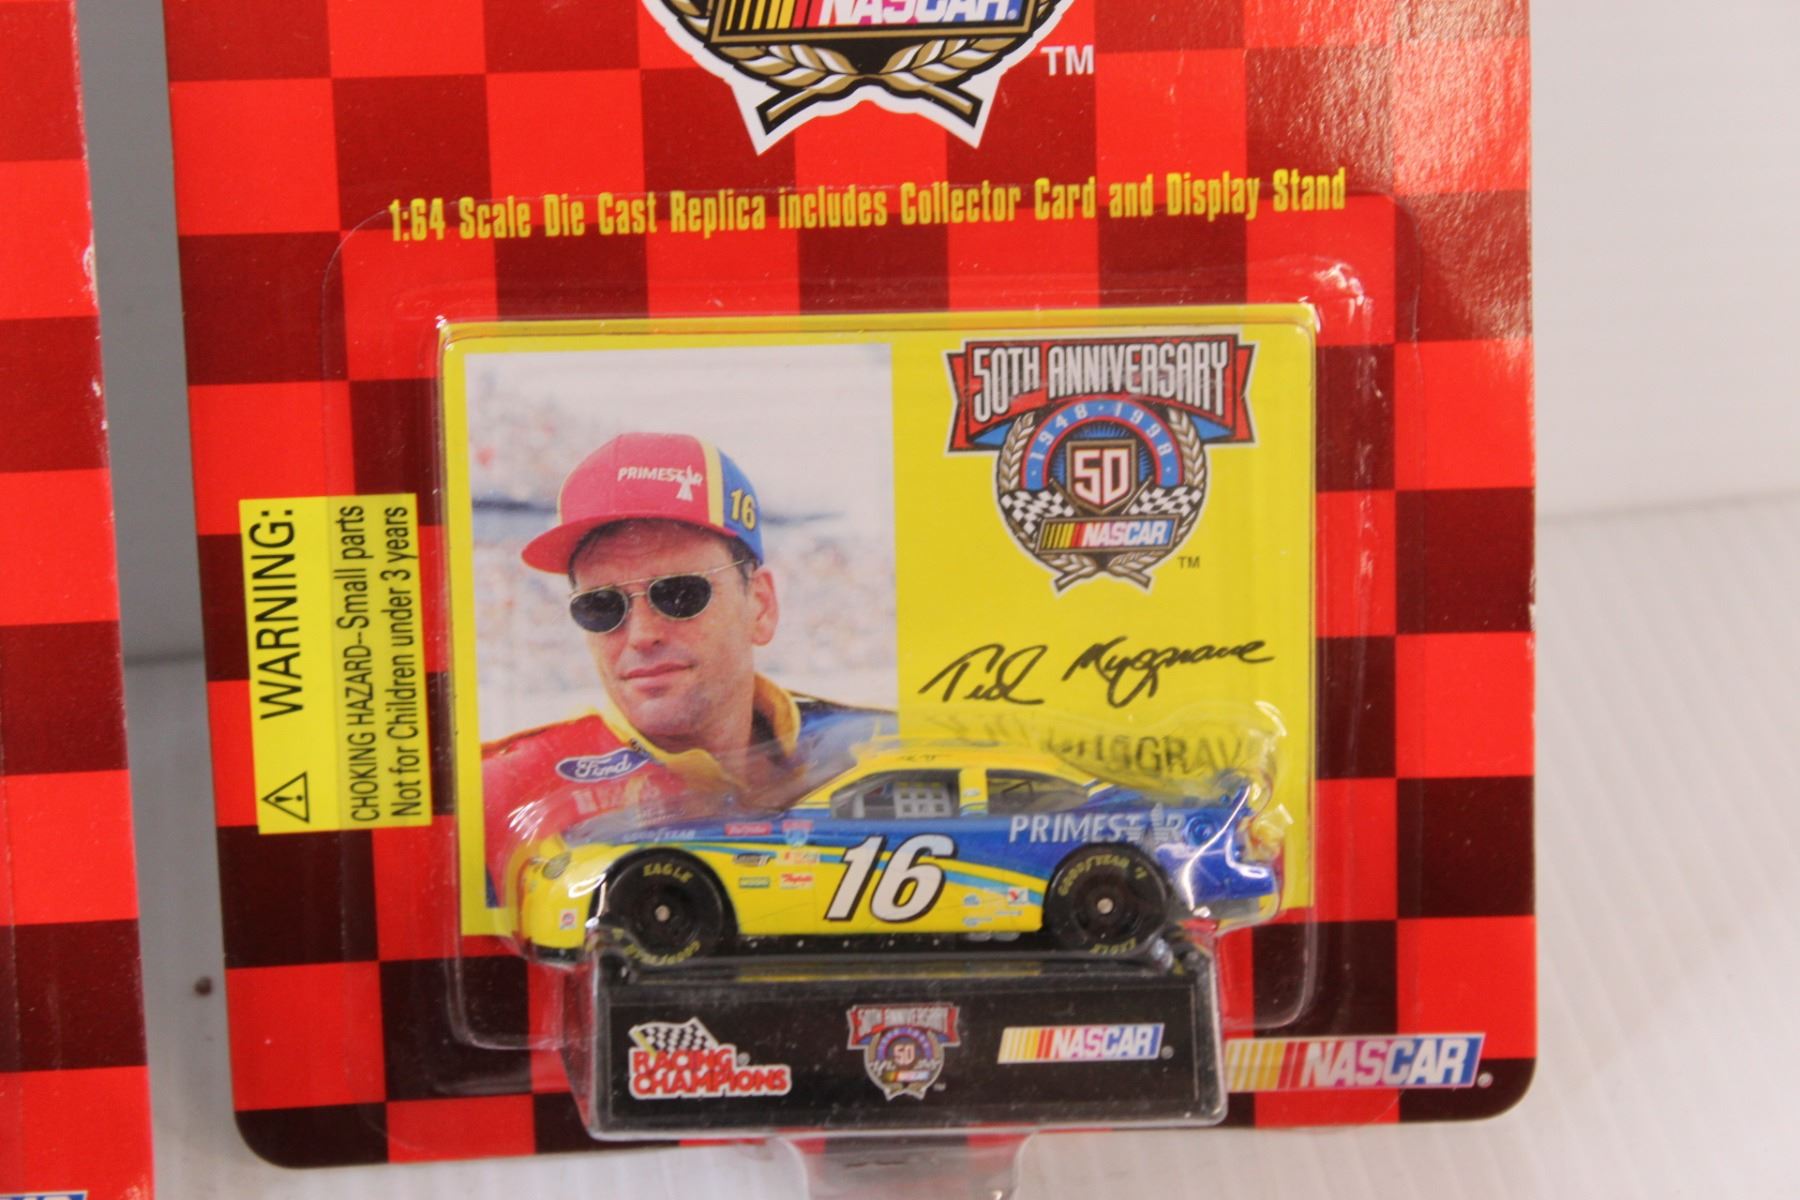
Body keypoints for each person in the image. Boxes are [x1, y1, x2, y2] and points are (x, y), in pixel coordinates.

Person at [481, 431, 891, 891]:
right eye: (602, 606)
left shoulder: (883, 750)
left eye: (679, 594)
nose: (642, 635)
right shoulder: (501, 792)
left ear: (760, 606)